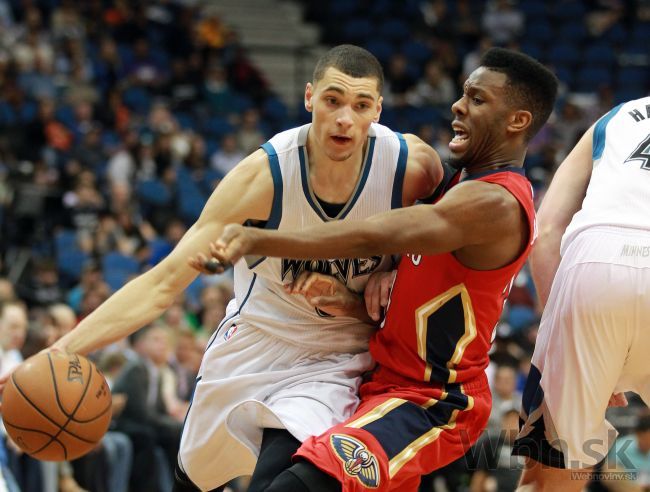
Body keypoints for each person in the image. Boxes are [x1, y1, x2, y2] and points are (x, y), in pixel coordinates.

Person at [13, 44, 442, 491]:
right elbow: (163, 283)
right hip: (256, 340)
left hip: (339, 358)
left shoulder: (410, 167)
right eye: (333, 100)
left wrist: (402, 271)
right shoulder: (263, 177)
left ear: (378, 108)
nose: (344, 119)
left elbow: (456, 236)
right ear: (309, 97)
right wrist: (61, 349)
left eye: (361, 105)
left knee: (280, 479)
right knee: (193, 480)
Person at [201, 47, 558, 491]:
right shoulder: (458, 188)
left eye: (477, 99)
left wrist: (259, 239)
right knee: (271, 475)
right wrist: (361, 296)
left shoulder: (496, 203)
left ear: (517, 122)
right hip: (378, 381)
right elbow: (423, 288)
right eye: (464, 93)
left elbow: (373, 235)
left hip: (432, 401)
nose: (457, 105)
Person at [511, 96, 650, 491]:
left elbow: (546, 233)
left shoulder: (616, 117)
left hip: (595, 262)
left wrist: (567, 338)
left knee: (549, 479)